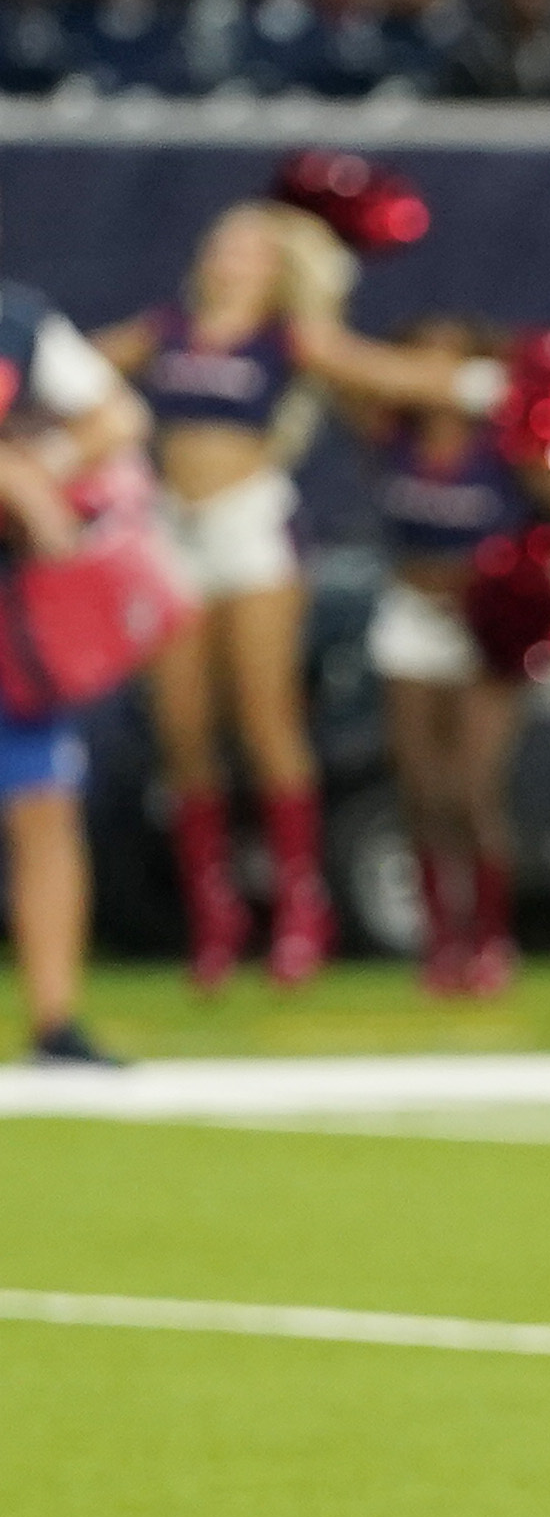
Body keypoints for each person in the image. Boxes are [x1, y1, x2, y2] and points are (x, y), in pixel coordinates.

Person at [98, 201, 501, 991]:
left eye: (253, 249)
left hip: (250, 526)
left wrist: (491, 381)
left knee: (265, 719)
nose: (234, 257)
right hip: (172, 530)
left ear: (278, 269)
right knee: (181, 732)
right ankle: (213, 919)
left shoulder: (288, 337)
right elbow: (73, 368)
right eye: (225, 242)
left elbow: (379, 371)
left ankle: (296, 911)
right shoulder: (167, 328)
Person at [356, 314, 550, 998]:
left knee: (472, 788)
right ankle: (440, 942)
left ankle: (490, 938)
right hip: (409, 614)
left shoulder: (507, 442)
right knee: (421, 790)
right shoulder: (391, 434)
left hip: (485, 625)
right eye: (420, 358)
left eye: (448, 359)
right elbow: (339, 371)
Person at [0, 265, 145, 1065]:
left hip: (9, 607)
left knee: (42, 804)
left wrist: (42, 465)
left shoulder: (17, 319)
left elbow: (117, 415)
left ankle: (55, 1018)